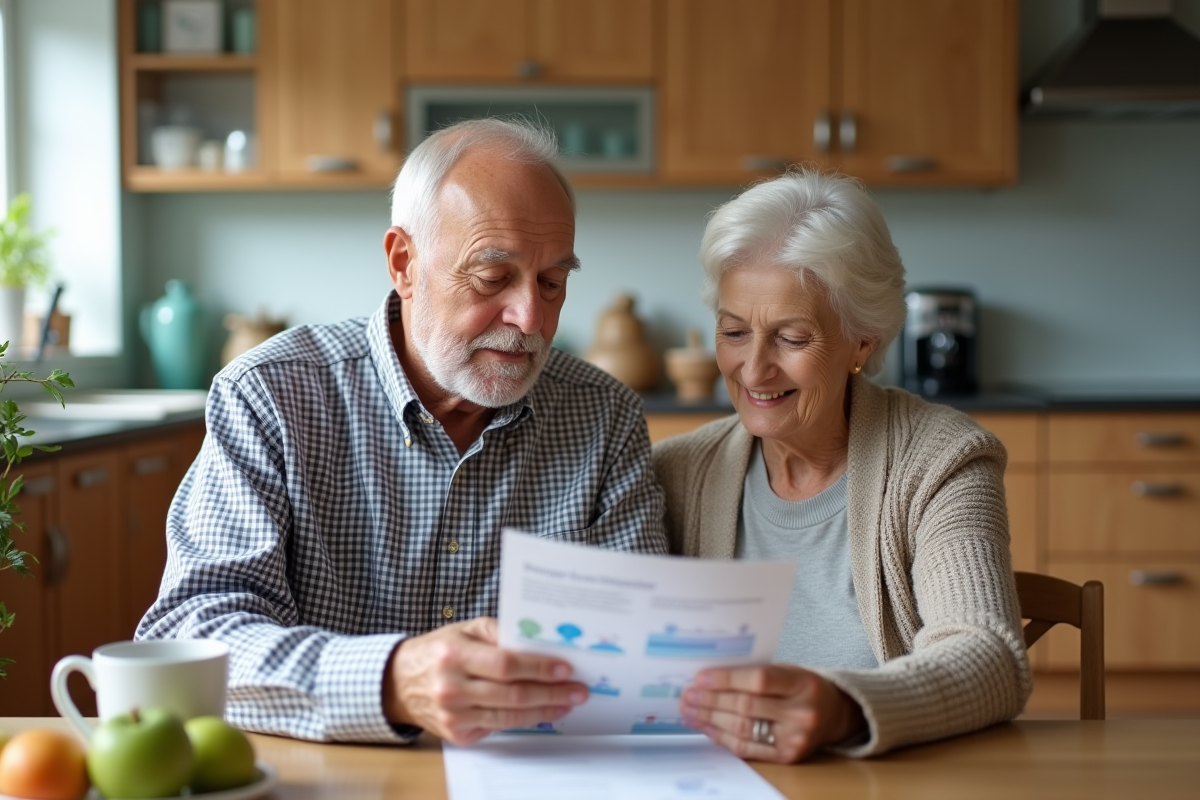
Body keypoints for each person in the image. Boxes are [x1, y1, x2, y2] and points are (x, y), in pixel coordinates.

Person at [138, 119, 668, 746]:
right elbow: (193, 634)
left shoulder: (604, 418)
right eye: (492, 278)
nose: (529, 319)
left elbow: (639, 659)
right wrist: (389, 682)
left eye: (552, 282)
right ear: (404, 263)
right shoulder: (271, 398)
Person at [654, 170, 1030, 762]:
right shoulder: (676, 473)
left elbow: (990, 658)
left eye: (792, 338)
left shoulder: (940, 461)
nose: (753, 370)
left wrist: (842, 707)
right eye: (733, 332)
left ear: (862, 340)